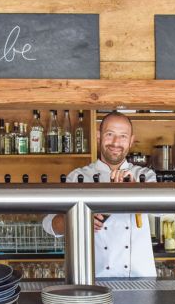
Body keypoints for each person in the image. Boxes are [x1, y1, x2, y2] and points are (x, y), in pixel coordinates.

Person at [42, 111, 157, 278]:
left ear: (131, 141)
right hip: (91, 278)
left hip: (139, 279)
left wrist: (135, 191)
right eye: (110, 134)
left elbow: (165, 210)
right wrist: (77, 219)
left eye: (123, 136)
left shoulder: (144, 176)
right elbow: (49, 225)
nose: (116, 142)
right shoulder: (78, 177)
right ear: (98, 136)